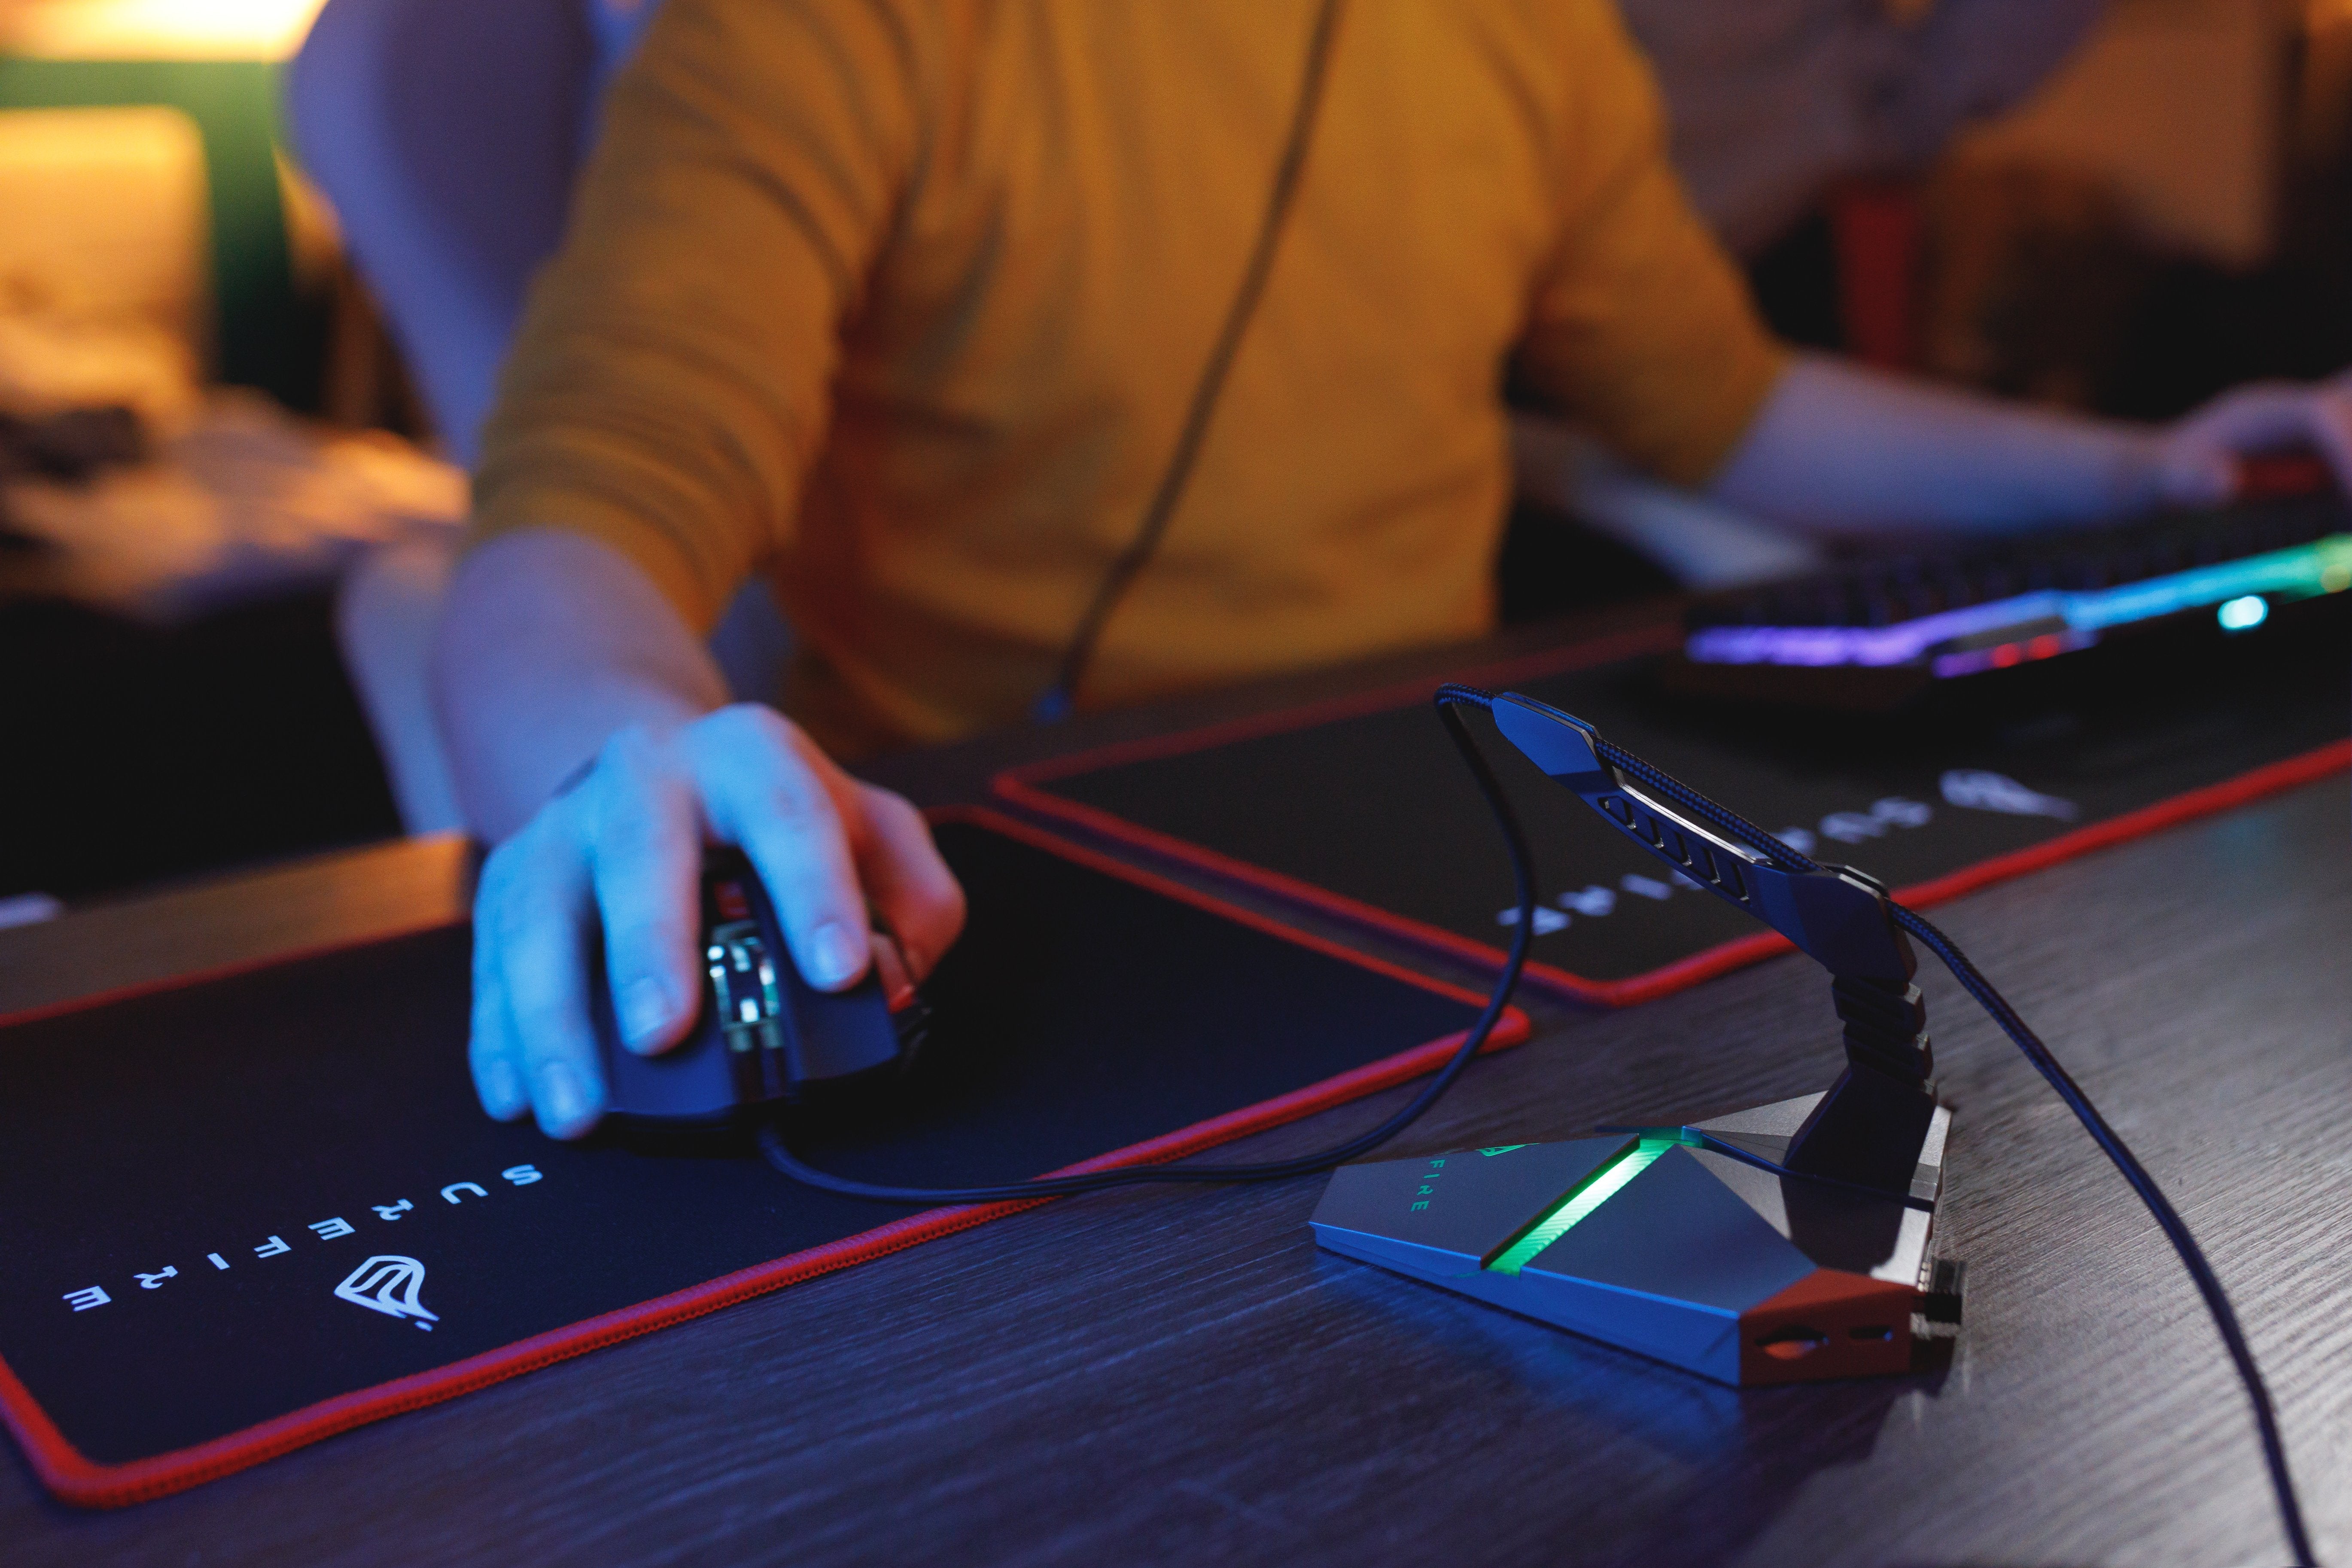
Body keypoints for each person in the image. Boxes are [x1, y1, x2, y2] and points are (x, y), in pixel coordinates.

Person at [436, 0, 2352, 1140]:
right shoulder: (812, 27)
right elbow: (585, 502)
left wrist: (2148, 465)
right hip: (1003, 891)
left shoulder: (1522, 29)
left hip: (1451, 827)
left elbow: (1719, 398)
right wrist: (624, 752)